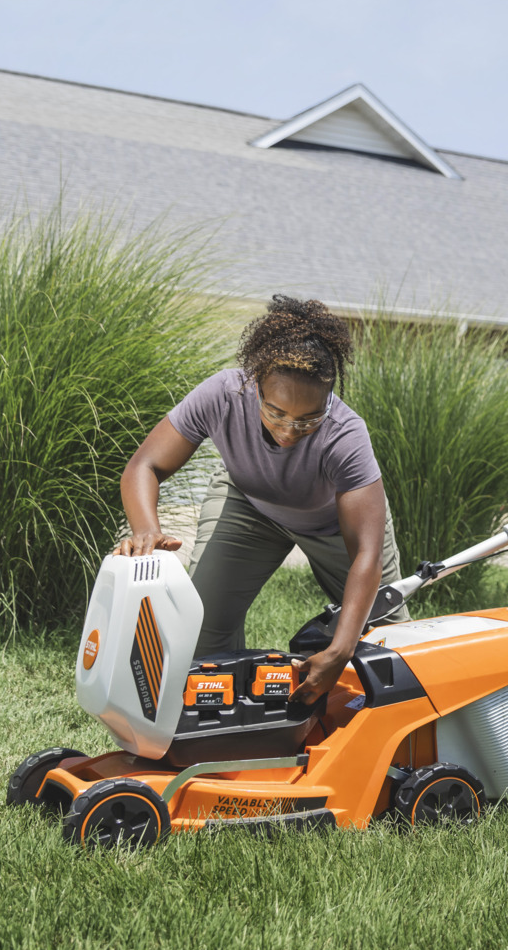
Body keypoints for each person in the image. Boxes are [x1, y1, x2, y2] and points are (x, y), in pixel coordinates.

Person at [116, 295, 402, 707]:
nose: (289, 429)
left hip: (334, 527)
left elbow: (367, 555)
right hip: (249, 505)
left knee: (390, 648)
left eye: (309, 418)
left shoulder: (346, 435)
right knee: (201, 629)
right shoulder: (221, 394)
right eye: (276, 411)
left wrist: (340, 650)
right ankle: (227, 728)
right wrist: (146, 528)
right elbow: (144, 465)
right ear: (255, 383)